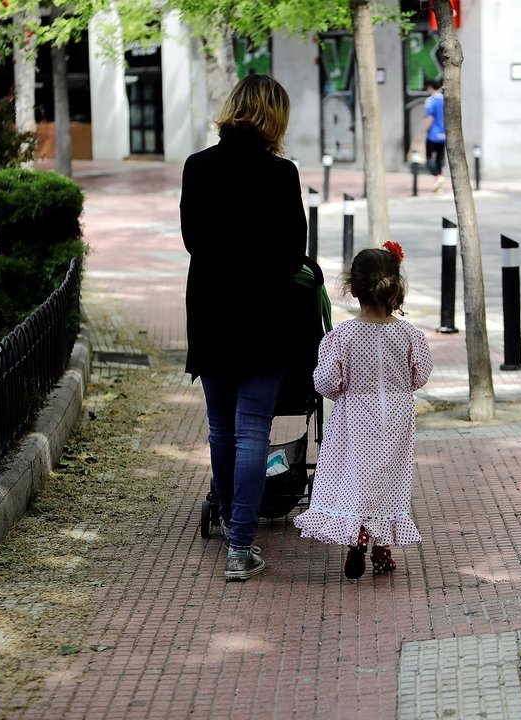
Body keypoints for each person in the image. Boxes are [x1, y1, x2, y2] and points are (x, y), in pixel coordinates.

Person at [180, 74, 306, 582]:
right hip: (264, 316)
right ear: (275, 116)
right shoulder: (282, 174)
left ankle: (234, 521)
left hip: (211, 312)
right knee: (254, 428)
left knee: (220, 427)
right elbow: (294, 251)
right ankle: (240, 546)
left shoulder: (198, 167)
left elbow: (193, 240)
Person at [293, 242, 433, 579]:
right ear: (395, 287)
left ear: (352, 289)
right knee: (389, 480)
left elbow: (326, 381)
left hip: (354, 420)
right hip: (397, 418)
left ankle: (357, 538)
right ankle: (382, 549)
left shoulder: (343, 336)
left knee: (357, 479)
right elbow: (421, 374)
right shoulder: (410, 334)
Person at [413, 79, 446, 192]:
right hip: (443, 135)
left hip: (433, 135)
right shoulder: (444, 99)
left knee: (428, 160)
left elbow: (429, 118)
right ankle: (438, 187)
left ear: (430, 88)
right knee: (439, 160)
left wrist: (421, 134)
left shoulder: (431, 101)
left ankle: (438, 177)